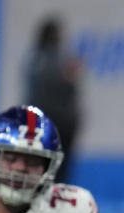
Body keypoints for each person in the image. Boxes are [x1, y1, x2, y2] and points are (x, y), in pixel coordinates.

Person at [25, 16, 83, 185]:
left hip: (44, 123)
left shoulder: (35, 59)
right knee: (52, 169)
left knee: (45, 168)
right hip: (57, 124)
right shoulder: (57, 62)